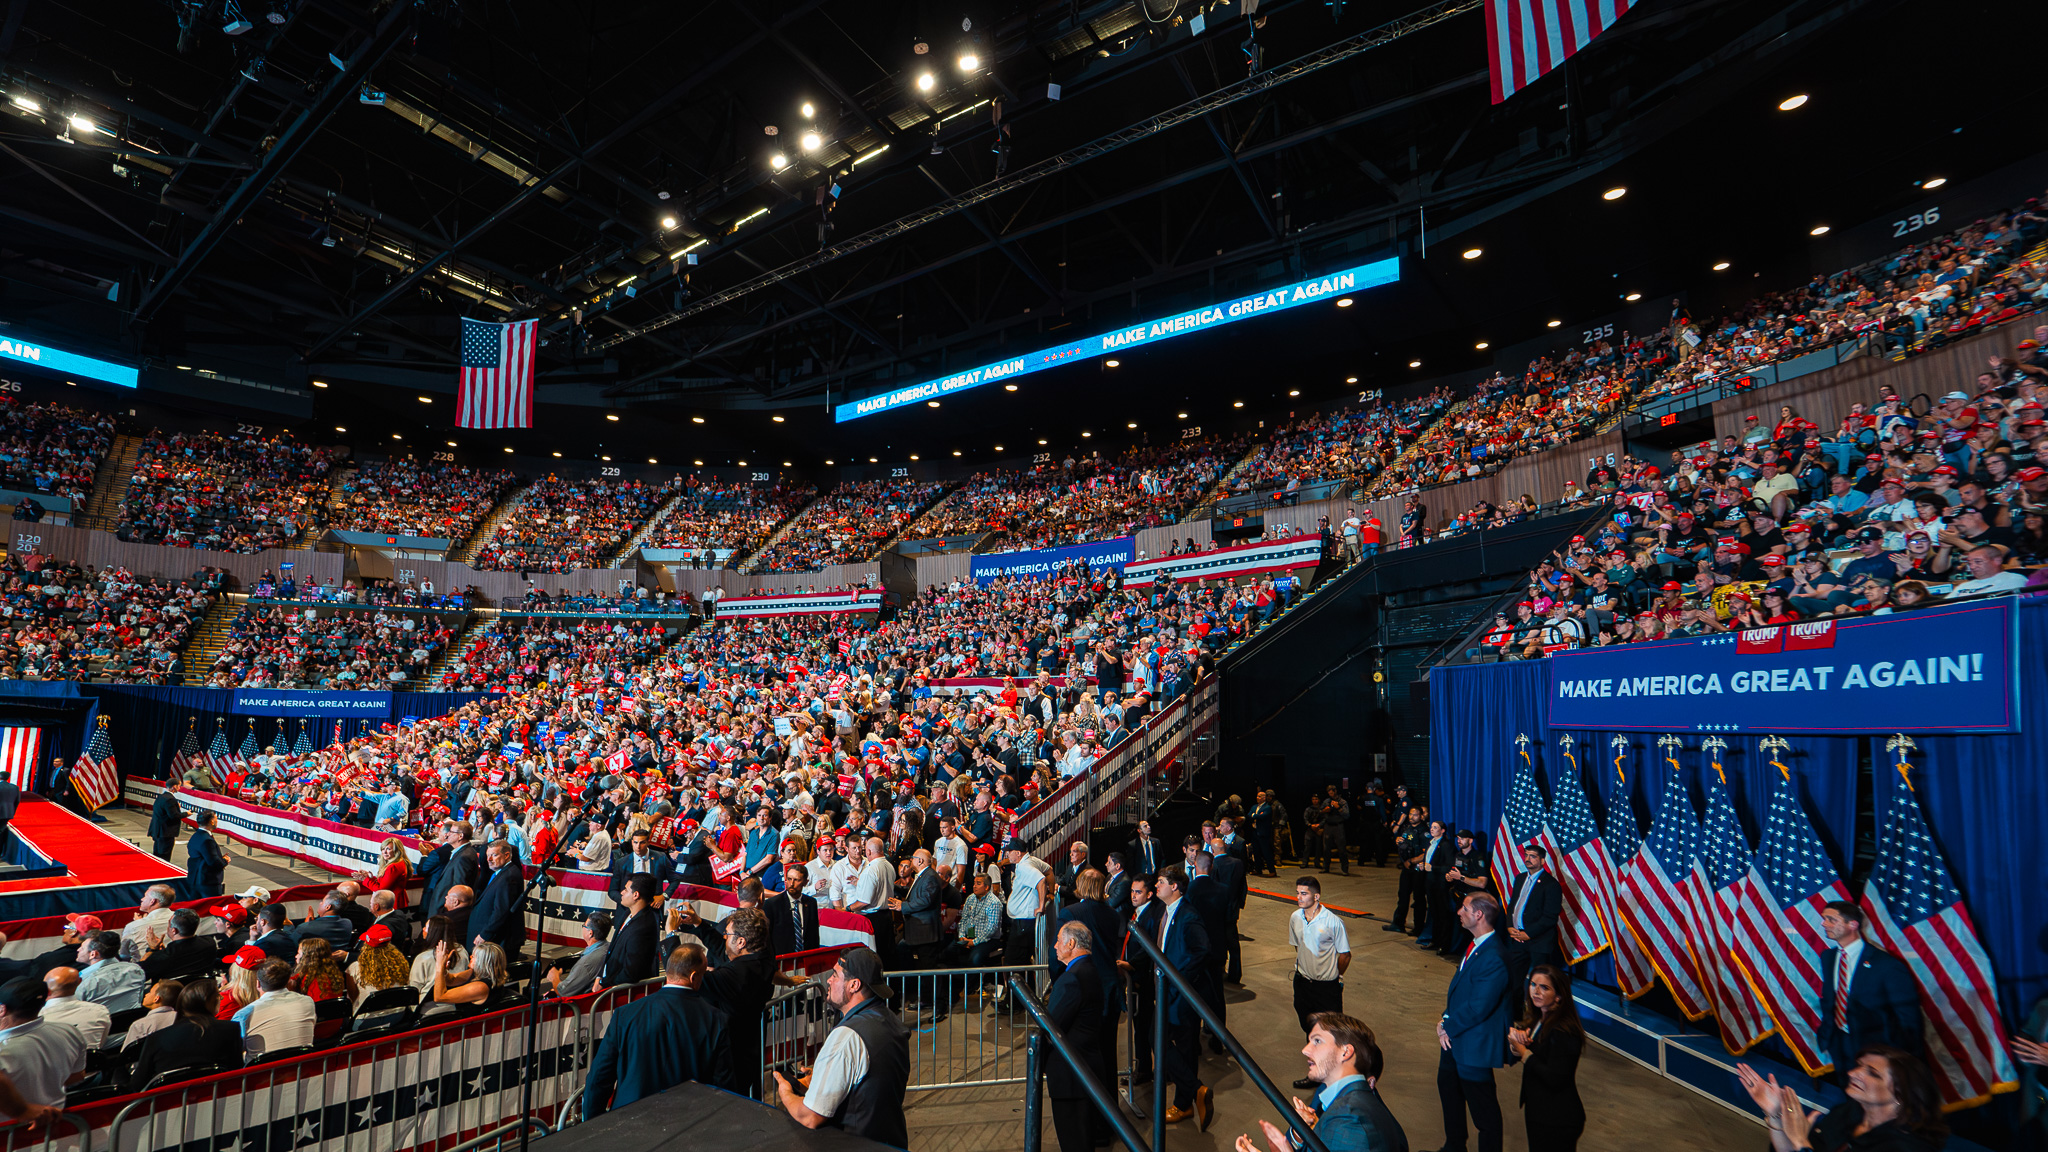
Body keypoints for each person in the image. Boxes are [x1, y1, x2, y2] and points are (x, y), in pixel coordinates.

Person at [770, 947, 910, 1146]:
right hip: (891, 1141)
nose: (829, 980)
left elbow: (810, 1116)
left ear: (854, 985)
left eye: (835, 975)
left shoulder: (847, 1037)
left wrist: (786, 1092)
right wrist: (822, 1074)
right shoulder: (890, 1020)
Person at [583, 941, 735, 1117]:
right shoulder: (716, 1020)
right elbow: (723, 1087)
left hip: (627, 1123)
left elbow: (599, 1078)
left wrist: (593, 1127)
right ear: (694, 977)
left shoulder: (625, 1015)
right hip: (688, 1123)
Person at [1237, 1012, 1406, 1152]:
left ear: (1345, 1052)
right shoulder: (1342, 1102)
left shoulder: (1349, 1120)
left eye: (1317, 1041)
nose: (1305, 1050)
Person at [1738, 1045, 1949, 1152]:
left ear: (1901, 1095)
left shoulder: (1908, 1147)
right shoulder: (1847, 1113)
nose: (1853, 1073)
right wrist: (1775, 1115)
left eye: (1872, 1073)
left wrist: (1801, 1142)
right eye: (1859, 1066)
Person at [1436, 894, 1511, 1152]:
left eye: (1464, 908)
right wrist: (1445, 1019)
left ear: (1478, 915)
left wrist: (1448, 1026)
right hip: (1454, 1041)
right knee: (1449, 1093)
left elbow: (1479, 1006)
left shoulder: (1494, 956)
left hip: (1473, 1047)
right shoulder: (1476, 945)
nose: (1459, 911)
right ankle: (1454, 1146)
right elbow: (1462, 992)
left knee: (1485, 1115)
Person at [1818, 901, 1923, 1076]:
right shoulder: (1828, 957)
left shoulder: (1886, 964)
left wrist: (1900, 1057)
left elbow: (1908, 1018)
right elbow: (1830, 999)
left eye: (1831, 919)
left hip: (1874, 1049)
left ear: (1852, 924)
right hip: (1839, 1041)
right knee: (1849, 1090)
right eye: (1824, 919)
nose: (1824, 923)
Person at [1154, 867, 1214, 1130]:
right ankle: (1190, 1098)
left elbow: (1202, 950)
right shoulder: (1167, 911)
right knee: (1176, 1045)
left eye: (1161, 882)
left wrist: (1178, 978)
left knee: (1167, 1041)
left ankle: (1189, 1097)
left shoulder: (1188, 915)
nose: (1157, 885)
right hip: (1169, 991)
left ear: (1175, 887)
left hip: (1182, 992)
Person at [1046, 921, 1110, 1152]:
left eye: (1058, 940)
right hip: (1084, 1071)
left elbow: (1051, 1026)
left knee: (1075, 1141)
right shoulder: (1089, 970)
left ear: (1071, 943)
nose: (1054, 946)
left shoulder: (1072, 978)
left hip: (1070, 1076)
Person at [1508, 966, 1584, 1152]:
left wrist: (1525, 1053)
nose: (1536, 991)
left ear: (1559, 996)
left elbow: (1555, 1077)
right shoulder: (1538, 1020)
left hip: (1557, 1118)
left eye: (1544, 987)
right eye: (1533, 984)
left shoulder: (1564, 1031)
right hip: (1540, 1111)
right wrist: (1516, 1047)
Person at [703, 908, 776, 1099]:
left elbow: (688, 976)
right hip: (750, 1050)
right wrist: (698, 925)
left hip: (730, 1057)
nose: (724, 938)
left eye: (726, 934)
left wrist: (669, 936)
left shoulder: (735, 973)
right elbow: (726, 950)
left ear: (741, 942)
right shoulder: (764, 960)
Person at [125, 978, 244, 1091]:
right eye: (218, 998)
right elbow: (237, 1070)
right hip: (217, 1096)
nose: (221, 1000)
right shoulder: (230, 1029)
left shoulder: (156, 1038)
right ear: (210, 1003)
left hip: (166, 1104)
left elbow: (137, 1084)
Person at [1288, 876, 1351, 1086]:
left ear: (1316, 896)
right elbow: (1298, 946)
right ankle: (1317, 1071)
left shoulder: (1333, 922)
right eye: (1297, 892)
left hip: (1326, 987)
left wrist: (1334, 975)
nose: (1299, 897)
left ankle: (1333, 1076)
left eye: (1303, 893)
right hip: (1303, 983)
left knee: (1330, 1032)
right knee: (1309, 1028)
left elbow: (1345, 955)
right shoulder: (1295, 918)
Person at [0, 977, 82, 1114]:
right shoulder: (70, 1031)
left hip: (12, 1129)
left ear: (2, 1009)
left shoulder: (3, 1050)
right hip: (56, 1120)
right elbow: (78, 1075)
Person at [1501, 846, 1562, 990]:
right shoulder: (1520, 878)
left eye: (1533, 856)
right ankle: (1516, 1009)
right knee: (1514, 981)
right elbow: (1513, 906)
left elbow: (1550, 917)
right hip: (1517, 939)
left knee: (1540, 983)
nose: (1528, 859)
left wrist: (1528, 933)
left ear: (1542, 860)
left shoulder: (1551, 884)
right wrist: (1510, 926)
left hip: (1539, 942)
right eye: (1526, 855)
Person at [232, 958, 315, 1055]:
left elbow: (234, 1050)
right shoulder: (307, 1002)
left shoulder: (244, 1014)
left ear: (258, 983)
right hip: (301, 1067)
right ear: (288, 981)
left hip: (261, 1069)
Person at [598, 873, 661, 989]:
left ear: (636, 895)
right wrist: (600, 976)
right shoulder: (627, 912)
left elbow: (631, 973)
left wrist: (605, 984)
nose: (621, 892)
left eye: (626, 890)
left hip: (619, 991)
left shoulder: (643, 928)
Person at [469, 840, 527, 962]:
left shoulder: (509, 877)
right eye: (487, 855)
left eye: (494, 855)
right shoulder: (500, 873)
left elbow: (501, 911)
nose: (489, 859)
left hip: (501, 940)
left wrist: (485, 934)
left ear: (506, 855)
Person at [428, 939, 507, 1012]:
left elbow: (439, 997)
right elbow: (451, 980)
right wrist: (444, 969)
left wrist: (439, 965)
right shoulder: (474, 972)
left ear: (483, 963)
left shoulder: (480, 987)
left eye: (474, 956)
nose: (470, 957)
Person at [763, 864, 822, 959]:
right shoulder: (772, 904)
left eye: (796, 880)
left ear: (805, 882)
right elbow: (766, 938)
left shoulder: (811, 903)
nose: (791, 884)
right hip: (781, 960)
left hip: (805, 958)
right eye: (789, 879)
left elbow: (814, 935)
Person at [76, 930, 145, 1012]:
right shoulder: (136, 970)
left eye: (82, 948)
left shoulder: (84, 982)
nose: (78, 949)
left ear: (93, 954)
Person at [546, 914, 611, 998]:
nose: (583, 928)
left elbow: (563, 992)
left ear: (590, 933)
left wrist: (554, 977)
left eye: (584, 926)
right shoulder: (609, 947)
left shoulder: (585, 963)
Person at [344, 925, 409, 1008]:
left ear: (366, 944)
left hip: (366, 1017)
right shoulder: (401, 963)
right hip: (397, 1014)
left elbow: (352, 999)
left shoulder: (355, 968)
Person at [408, 916, 466, 994]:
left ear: (433, 933)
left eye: (426, 927)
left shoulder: (422, 958)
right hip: (458, 998)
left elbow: (414, 988)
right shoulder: (462, 950)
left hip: (429, 1004)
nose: (423, 929)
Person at [123, 979, 183, 1050]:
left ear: (156, 999)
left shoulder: (140, 1025)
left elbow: (127, 1053)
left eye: (150, 992)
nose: (146, 994)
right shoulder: (183, 1018)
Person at [186, 810, 230, 898]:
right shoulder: (207, 840)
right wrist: (225, 860)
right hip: (207, 882)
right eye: (216, 819)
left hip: (195, 879)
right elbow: (214, 863)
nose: (217, 821)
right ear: (211, 821)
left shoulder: (195, 836)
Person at [149, 780, 184, 860]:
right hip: (166, 832)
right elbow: (173, 815)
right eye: (179, 786)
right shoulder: (170, 799)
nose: (179, 788)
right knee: (164, 856)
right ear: (174, 787)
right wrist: (186, 814)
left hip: (158, 830)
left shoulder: (161, 797)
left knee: (157, 854)